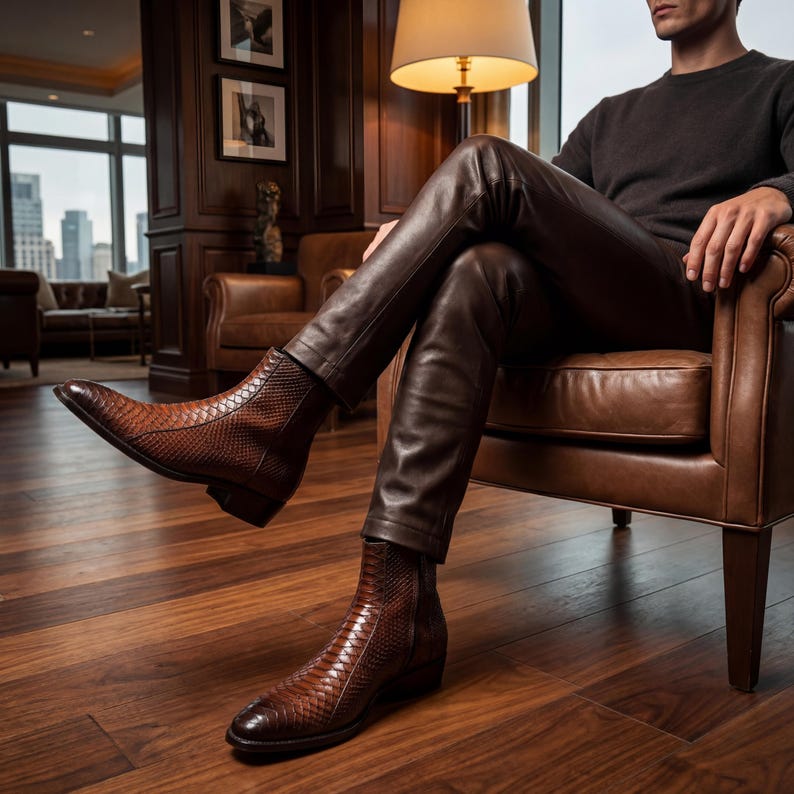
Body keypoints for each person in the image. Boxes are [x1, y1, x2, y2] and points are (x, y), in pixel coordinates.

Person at [55, 0, 793, 754]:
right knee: (477, 266)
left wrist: (780, 193)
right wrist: (422, 230)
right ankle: (395, 608)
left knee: (484, 159)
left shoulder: (779, 88)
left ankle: (270, 420)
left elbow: (500, 179)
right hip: (591, 298)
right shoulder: (611, 115)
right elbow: (529, 210)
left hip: (690, 293)